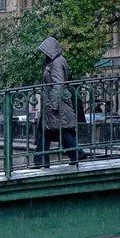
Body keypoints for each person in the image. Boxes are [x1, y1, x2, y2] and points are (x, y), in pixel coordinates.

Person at [37, 36, 81, 165]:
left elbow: (58, 83)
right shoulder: (54, 61)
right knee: (48, 130)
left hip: (58, 103)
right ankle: (41, 160)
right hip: (55, 102)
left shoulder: (56, 62)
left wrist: (53, 104)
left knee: (59, 130)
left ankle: (77, 153)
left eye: (45, 51)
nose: (43, 54)